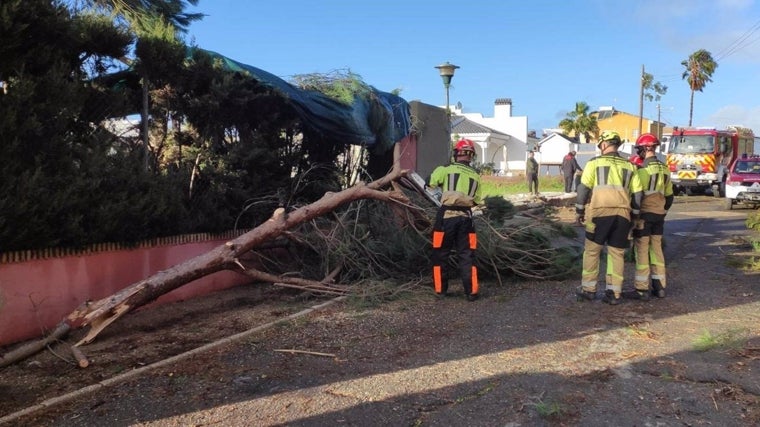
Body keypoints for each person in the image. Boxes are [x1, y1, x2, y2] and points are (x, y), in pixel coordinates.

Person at [575, 130, 644, 305]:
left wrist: (579, 211)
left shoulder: (594, 163)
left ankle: (588, 290)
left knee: (592, 251)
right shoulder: (630, 166)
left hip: (599, 214)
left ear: (604, 145)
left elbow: (583, 189)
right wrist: (635, 217)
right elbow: (637, 195)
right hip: (622, 215)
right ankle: (614, 293)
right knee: (616, 253)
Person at [428, 138, 483, 301]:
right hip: (467, 219)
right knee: (467, 255)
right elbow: (476, 200)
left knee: (439, 253)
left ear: (456, 153)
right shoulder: (476, 176)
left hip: (446, 218)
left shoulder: (445, 169)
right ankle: (471, 292)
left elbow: (430, 183)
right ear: (471, 156)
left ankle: (441, 290)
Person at [627, 133, 674, 300]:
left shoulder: (642, 170)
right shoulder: (665, 169)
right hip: (659, 216)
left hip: (644, 216)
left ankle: (642, 289)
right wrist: (662, 210)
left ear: (646, 148)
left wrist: (634, 217)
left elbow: (637, 196)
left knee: (642, 250)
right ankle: (660, 287)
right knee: (657, 250)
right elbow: (669, 197)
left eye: (639, 149)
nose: (638, 152)